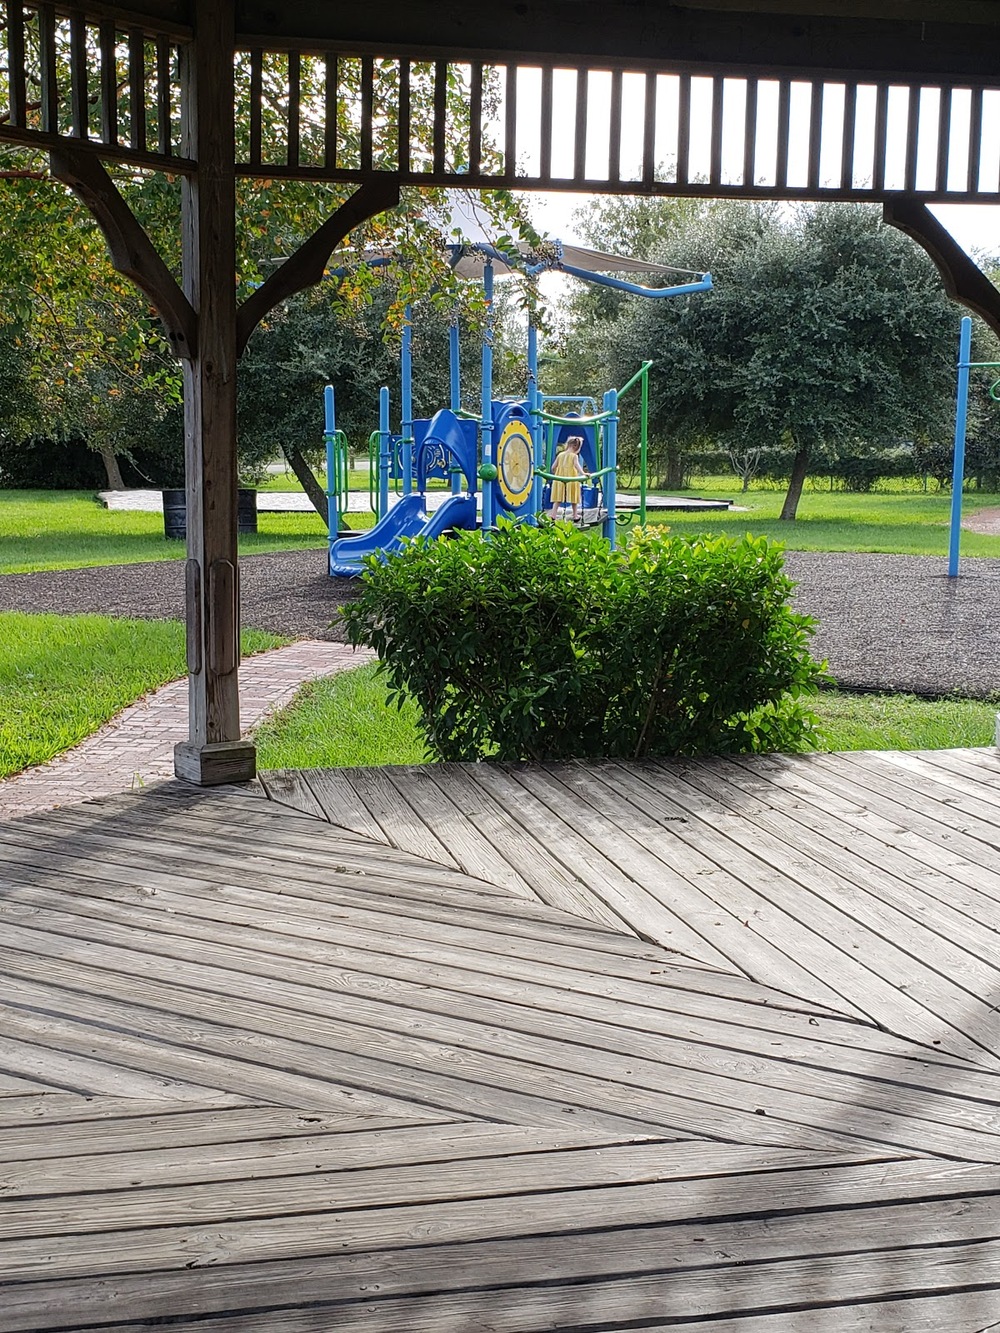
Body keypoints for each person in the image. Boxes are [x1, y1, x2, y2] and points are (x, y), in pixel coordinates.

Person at [549, 435, 586, 521]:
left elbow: (553, 467)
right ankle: (575, 515)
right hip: (571, 478)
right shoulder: (574, 456)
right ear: (575, 447)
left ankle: (553, 514)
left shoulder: (560, 455)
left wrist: (556, 473)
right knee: (574, 496)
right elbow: (577, 466)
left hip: (560, 478)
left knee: (558, 497)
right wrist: (583, 473)